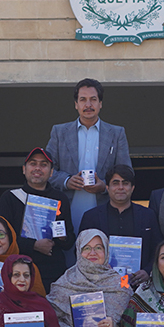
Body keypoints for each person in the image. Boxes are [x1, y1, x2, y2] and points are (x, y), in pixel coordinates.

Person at [44, 78, 132, 231]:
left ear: (100, 104)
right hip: (66, 211)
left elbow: (127, 173)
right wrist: (66, 181)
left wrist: (104, 186)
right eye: (83, 99)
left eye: (93, 99)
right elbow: (47, 170)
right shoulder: (59, 132)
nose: (88, 105)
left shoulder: (117, 133)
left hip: (105, 210)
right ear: (76, 104)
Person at [0, 146, 74, 289]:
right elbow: (3, 238)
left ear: (51, 172)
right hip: (19, 274)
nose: (38, 168)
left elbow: (69, 241)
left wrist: (62, 237)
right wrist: (34, 245)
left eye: (43, 165)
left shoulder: (60, 198)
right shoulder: (10, 198)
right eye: (33, 163)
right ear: (24, 169)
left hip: (53, 273)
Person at [78, 164, 162, 275]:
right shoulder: (91, 217)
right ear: (107, 187)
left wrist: (147, 271)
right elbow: (80, 251)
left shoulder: (148, 215)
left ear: (132, 188)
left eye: (125, 183)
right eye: (115, 183)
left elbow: (158, 249)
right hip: (100, 280)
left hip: (139, 281)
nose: (120, 187)